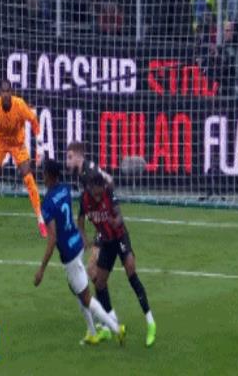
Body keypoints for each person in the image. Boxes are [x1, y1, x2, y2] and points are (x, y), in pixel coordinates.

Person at [34, 160, 126, 346]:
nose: (42, 176)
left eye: (44, 173)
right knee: (76, 288)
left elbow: (52, 239)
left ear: (49, 175)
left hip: (69, 252)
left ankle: (116, 328)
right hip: (77, 242)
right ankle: (91, 332)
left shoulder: (47, 204)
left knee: (85, 297)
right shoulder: (65, 189)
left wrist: (41, 269)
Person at [78, 171, 156, 347]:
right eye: (95, 193)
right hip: (106, 242)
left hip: (120, 237)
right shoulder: (85, 199)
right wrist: (83, 237)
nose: (98, 197)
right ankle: (108, 325)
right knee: (99, 283)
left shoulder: (108, 192)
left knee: (131, 273)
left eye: (100, 192)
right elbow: (80, 220)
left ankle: (150, 322)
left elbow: (119, 215)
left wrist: (116, 221)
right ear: (90, 188)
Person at [0, 80, 47, 237]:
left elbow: (34, 122)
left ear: (11, 93)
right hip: (0, 142)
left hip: (18, 143)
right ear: (0, 93)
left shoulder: (20, 105)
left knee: (28, 177)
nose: (5, 95)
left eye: (8, 92)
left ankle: (40, 220)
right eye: (3, 92)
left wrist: (40, 149)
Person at [66, 142, 113, 284]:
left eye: (70, 157)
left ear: (78, 157)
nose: (67, 162)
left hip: (107, 224)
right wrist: (83, 235)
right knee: (94, 273)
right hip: (104, 222)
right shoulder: (83, 172)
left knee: (92, 270)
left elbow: (107, 185)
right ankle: (100, 295)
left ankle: (99, 296)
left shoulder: (89, 174)